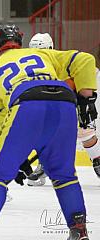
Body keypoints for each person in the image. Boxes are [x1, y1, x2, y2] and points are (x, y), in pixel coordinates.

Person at [0, 24, 95, 240]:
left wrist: (18, 157)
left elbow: (2, 123)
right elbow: (85, 60)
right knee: (64, 175)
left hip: (26, 104)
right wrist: (87, 98)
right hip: (64, 105)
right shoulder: (42, 54)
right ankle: (79, 231)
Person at [27, 33, 100, 187]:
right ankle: (45, 164)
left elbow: (90, 71)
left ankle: (98, 161)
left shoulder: (63, 61)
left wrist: (85, 98)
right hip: (56, 102)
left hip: (78, 100)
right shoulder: (31, 66)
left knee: (85, 132)